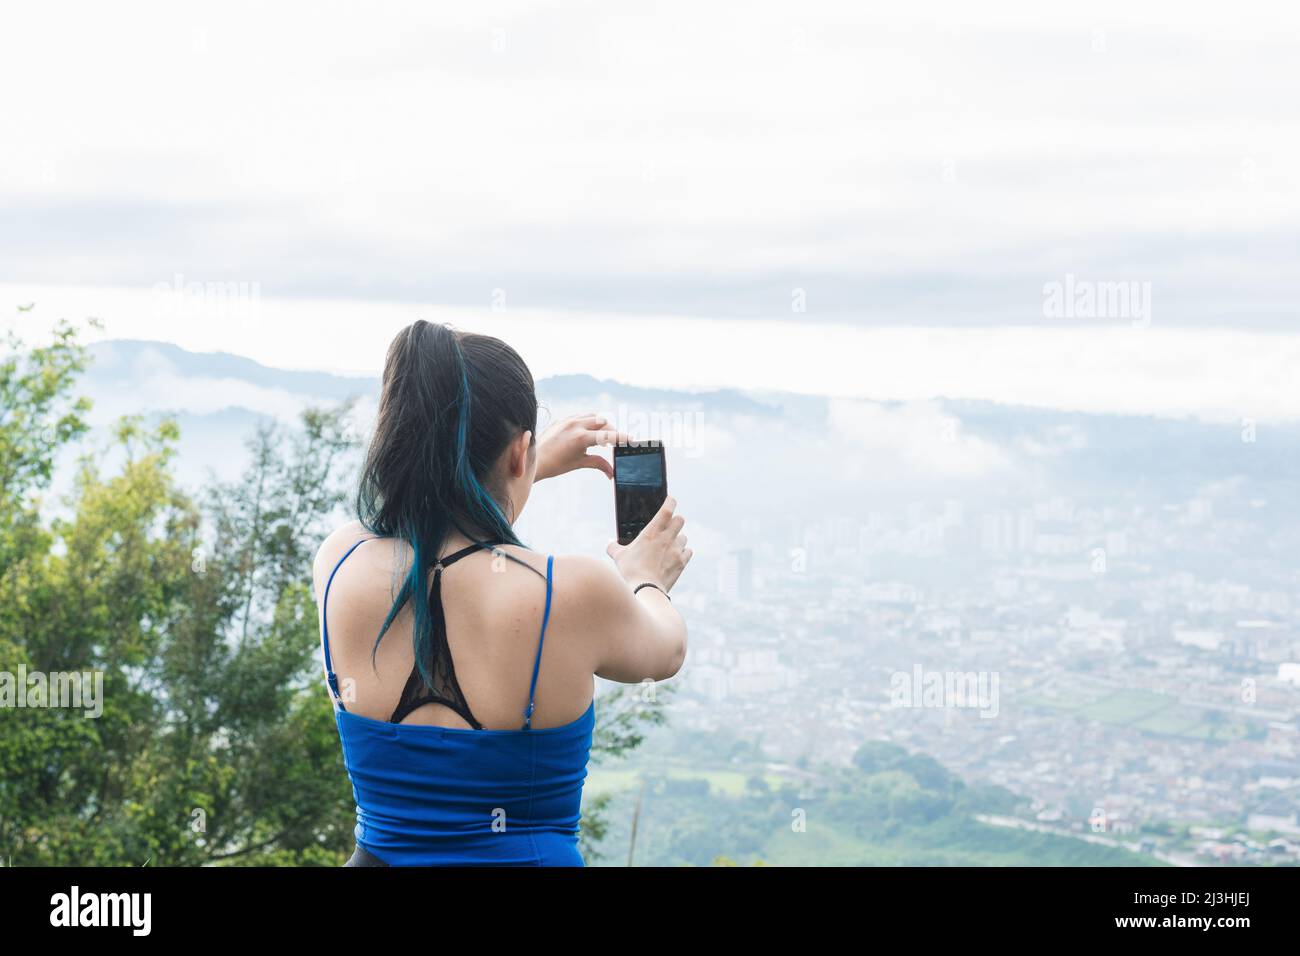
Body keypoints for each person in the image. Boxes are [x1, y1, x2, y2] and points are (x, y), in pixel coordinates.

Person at [313, 320, 692, 866]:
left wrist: (519, 469)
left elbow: (436, 533)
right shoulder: (572, 591)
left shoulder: (338, 562)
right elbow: (665, 651)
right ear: (519, 452)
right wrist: (646, 575)